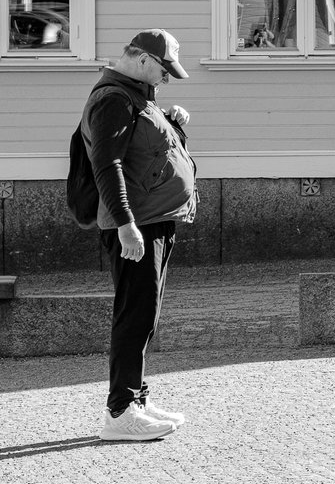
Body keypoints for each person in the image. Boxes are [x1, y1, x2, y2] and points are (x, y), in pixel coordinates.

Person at [79, 29, 197, 440]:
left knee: (145, 315)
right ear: (144, 60)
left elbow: (146, 153)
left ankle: (136, 400)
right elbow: (107, 165)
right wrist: (126, 223)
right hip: (137, 225)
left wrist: (171, 122)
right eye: (164, 71)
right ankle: (119, 412)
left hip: (152, 219)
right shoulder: (113, 98)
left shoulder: (135, 95)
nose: (165, 79)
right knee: (135, 315)